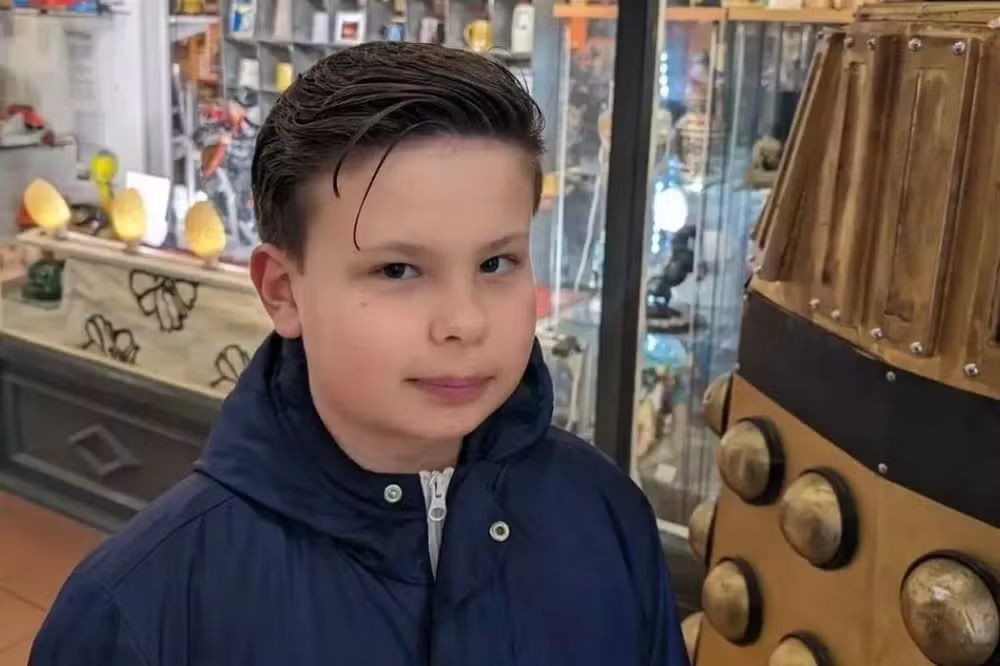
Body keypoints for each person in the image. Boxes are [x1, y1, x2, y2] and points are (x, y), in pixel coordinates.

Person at [29, 42, 689, 666]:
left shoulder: (605, 516)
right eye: (398, 270)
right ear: (283, 291)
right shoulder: (141, 611)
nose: (464, 322)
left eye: (497, 263)